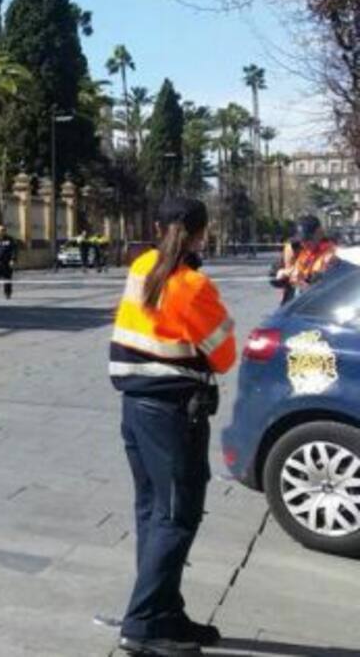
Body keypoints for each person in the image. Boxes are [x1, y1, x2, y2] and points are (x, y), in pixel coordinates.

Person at [110, 197, 237, 657]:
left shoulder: (142, 266)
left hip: (136, 407)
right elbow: (224, 355)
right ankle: (142, 625)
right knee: (177, 516)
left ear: (156, 228)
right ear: (202, 233)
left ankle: (165, 612)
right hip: (172, 413)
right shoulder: (192, 285)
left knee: (153, 512)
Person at [288, 214, 337, 293]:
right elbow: (296, 273)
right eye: (301, 240)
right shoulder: (304, 252)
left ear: (319, 233)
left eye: (307, 239)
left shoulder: (331, 252)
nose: (303, 244)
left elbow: (326, 286)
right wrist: (292, 275)